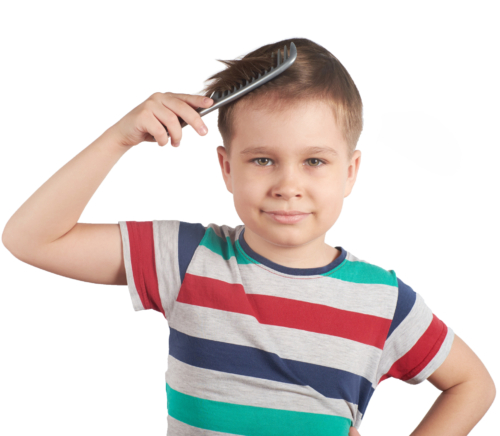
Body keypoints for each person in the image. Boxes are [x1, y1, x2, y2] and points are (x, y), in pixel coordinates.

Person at [2, 38, 495, 436]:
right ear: (226, 168)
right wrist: (119, 138)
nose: (287, 185)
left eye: (314, 161)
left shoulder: (383, 300)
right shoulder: (186, 258)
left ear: (350, 173)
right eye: (263, 159)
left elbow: (473, 384)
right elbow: (31, 239)